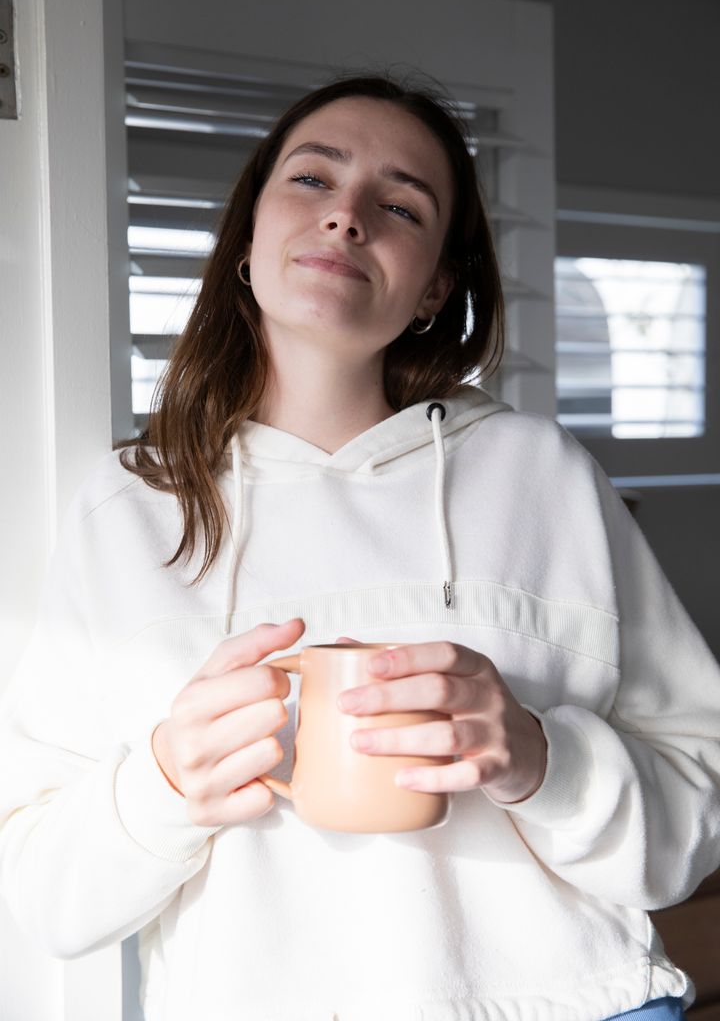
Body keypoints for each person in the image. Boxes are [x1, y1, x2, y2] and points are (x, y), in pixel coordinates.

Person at [1, 72, 718, 1021]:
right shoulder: (130, 505)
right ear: (247, 243)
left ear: (435, 287)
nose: (346, 218)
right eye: (311, 181)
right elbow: (38, 893)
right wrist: (169, 779)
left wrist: (538, 757)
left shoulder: (543, 475)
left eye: (400, 205)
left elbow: (694, 822)